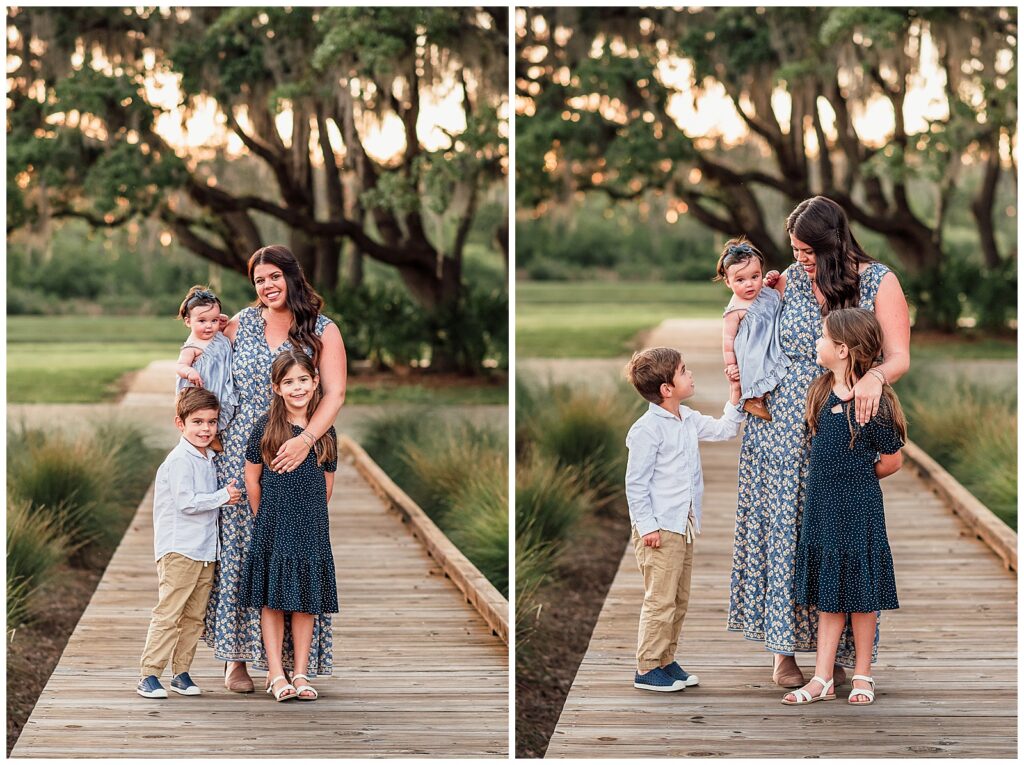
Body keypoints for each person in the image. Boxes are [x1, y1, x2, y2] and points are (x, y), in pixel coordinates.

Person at [727, 196, 911, 689]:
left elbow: (898, 357)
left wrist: (873, 379)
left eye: (807, 249)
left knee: (838, 539)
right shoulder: (788, 279)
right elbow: (747, 322)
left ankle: (843, 656)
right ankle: (783, 649)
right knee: (787, 534)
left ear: (833, 243)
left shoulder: (878, 281)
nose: (800, 257)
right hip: (781, 429)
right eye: (794, 248)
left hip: (843, 423)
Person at [203, 245, 347, 694]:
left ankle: (290, 667)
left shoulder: (322, 330)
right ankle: (237, 659)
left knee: (292, 553)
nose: (267, 286)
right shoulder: (241, 323)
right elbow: (199, 353)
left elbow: (336, 395)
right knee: (242, 555)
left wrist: (306, 442)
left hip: (299, 450)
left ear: (291, 276)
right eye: (258, 280)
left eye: (273, 276)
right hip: (243, 452)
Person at [782, 308, 906, 706]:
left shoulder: (873, 402)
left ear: (842, 349)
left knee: (862, 596)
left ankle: (863, 674)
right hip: (822, 510)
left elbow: (892, 459)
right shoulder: (819, 392)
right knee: (829, 596)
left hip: (859, 510)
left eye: (822, 338)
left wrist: (856, 481)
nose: (816, 344)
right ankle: (822, 678)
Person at [623, 347, 744, 692]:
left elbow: (724, 430)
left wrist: (734, 395)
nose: (690, 375)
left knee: (679, 598)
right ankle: (647, 668)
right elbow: (636, 484)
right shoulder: (647, 430)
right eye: (684, 371)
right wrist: (646, 527)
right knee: (659, 599)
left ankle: (666, 659)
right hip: (659, 529)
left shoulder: (686, 419)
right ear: (666, 388)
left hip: (683, 525)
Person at [241, 350, 339, 702]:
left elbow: (327, 482)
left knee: (305, 602)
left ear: (315, 383)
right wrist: (261, 515)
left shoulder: (324, 432)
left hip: (311, 525)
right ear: (277, 388)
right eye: (288, 382)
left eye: (303, 380)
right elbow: (252, 478)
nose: (297, 388)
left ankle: (300, 672)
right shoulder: (265, 428)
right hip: (273, 524)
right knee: (273, 600)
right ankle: (276, 674)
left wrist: (310, 514)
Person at [137, 388, 242, 699]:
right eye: (197, 422)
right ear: (179, 423)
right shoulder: (180, 460)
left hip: (205, 551)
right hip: (179, 549)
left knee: (194, 617)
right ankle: (149, 674)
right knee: (169, 613)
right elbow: (187, 503)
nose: (205, 429)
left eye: (211, 422)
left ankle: (181, 673)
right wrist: (224, 496)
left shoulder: (207, 458)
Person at [715, 238, 789, 421]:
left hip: (769, 343)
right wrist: (731, 365)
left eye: (755, 276)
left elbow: (770, 293)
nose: (749, 284)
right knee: (756, 370)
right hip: (752, 350)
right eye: (740, 280)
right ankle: (753, 399)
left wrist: (770, 280)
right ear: (728, 282)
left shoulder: (762, 289)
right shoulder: (734, 311)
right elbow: (727, 341)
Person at [175, 286, 239, 449]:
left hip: (220, 386)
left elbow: (219, 320)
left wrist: (219, 321)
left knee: (220, 409)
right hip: (204, 387)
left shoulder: (217, 335)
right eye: (202, 321)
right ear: (188, 321)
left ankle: (214, 435)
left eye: (214, 320)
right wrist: (189, 372)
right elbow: (180, 366)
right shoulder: (192, 346)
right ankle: (209, 440)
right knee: (204, 413)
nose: (209, 326)